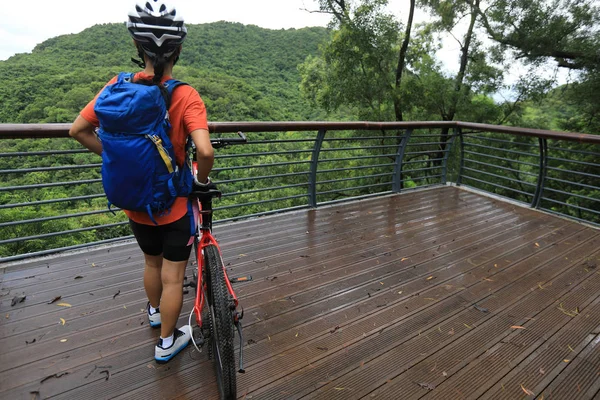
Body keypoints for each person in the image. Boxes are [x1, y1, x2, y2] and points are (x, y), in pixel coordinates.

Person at [69, 0, 214, 363]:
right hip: (174, 205)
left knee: (151, 264)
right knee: (172, 276)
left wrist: (114, 156)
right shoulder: (185, 95)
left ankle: (154, 313)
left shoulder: (116, 87)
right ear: (178, 50)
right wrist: (199, 178)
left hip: (135, 202)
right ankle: (167, 342)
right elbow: (206, 152)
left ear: (137, 46)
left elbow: (78, 130)